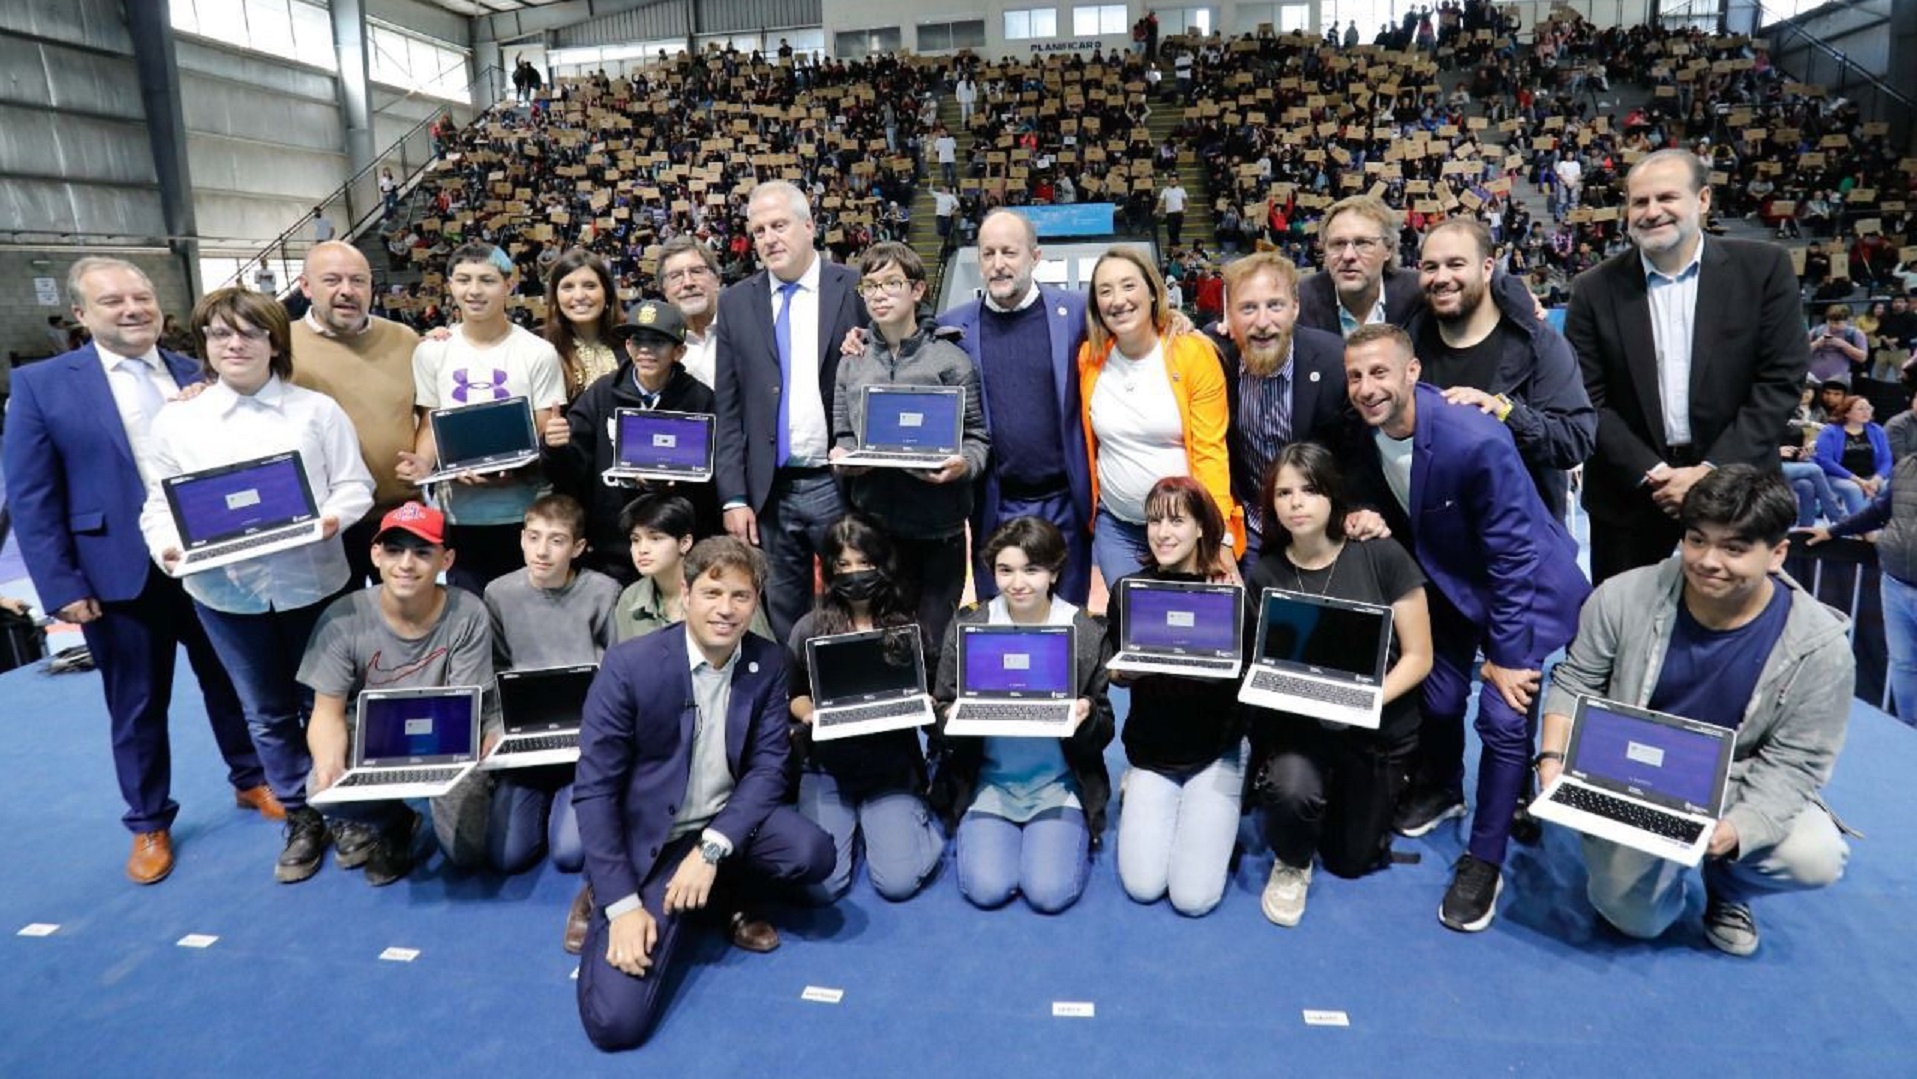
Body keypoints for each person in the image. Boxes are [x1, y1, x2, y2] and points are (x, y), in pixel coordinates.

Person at [3, 257, 270, 885]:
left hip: (206, 561)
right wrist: (62, 586)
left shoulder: (195, 372)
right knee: (137, 704)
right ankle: (149, 819)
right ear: (80, 315)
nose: (132, 309)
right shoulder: (44, 385)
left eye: (142, 297)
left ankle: (252, 778)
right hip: (114, 574)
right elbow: (31, 498)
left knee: (229, 684)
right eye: (113, 301)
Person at [1541, 467, 1853, 955]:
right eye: (1697, 540)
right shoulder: (1622, 596)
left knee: (1814, 857)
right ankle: (1649, 868)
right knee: (1635, 920)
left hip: (1737, 780)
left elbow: (1796, 763)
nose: (1709, 561)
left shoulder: (1819, 646)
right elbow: (1575, 681)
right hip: (1634, 772)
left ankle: (1728, 889)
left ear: (1777, 554)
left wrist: (1735, 833)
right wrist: (1553, 762)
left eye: (1734, 548)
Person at [1342, 324, 1589, 932]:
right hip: (1451, 584)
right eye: (1355, 376)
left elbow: (1513, 558)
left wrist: (1505, 656)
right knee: (1441, 693)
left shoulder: (1472, 437)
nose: (1367, 388)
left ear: (1413, 373)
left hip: (1522, 591)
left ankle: (1485, 858)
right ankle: (1446, 786)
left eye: (1380, 372)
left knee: (1503, 720)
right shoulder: (1362, 432)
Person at [137, 287, 376, 884]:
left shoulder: (315, 412)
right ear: (205, 346)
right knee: (265, 711)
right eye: (221, 334)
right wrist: (168, 550)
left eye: (250, 332)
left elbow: (355, 487)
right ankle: (300, 813)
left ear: (275, 341)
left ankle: (341, 804)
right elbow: (159, 508)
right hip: (225, 593)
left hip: (313, 581)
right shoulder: (177, 422)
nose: (236, 343)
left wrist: (329, 520)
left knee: (326, 701)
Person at [572, 537, 834, 1052]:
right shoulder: (630, 666)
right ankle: (607, 893)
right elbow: (595, 793)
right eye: (713, 592)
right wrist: (623, 907)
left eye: (740, 596)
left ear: (756, 600)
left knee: (813, 854)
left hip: (722, 824)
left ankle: (711, 889)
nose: (726, 609)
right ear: (686, 594)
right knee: (616, 1024)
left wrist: (712, 847)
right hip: (650, 841)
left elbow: (767, 769)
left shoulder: (768, 662)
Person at [1564, 149, 1808, 585]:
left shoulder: (1764, 269)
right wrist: (1658, 477)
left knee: (1737, 641)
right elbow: (1586, 397)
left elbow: (1779, 381)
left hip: (1741, 492)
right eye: (1639, 202)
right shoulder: (1593, 289)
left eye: (1667, 197)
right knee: (1625, 640)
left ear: (1704, 200)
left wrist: (1711, 473)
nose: (1652, 211)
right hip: (1631, 499)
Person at [1248, 442, 1432, 927]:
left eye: (1309, 489)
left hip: (1374, 724)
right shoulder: (1266, 573)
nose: (1296, 502)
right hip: (1300, 727)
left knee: (1350, 860)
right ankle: (1291, 859)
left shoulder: (1380, 553)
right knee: (1292, 791)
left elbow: (1419, 657)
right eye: (1284, 493)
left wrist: (1361, 702)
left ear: (1332, 494)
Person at [298, 502, 498, 884]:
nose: (406, 563)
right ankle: (396, 818)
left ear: (447, 559)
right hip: (377, 734)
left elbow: (466, 708)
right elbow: (327, 713)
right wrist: (328, 762)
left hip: (450, 733)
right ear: (375, 555)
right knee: (321, 790)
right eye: (394, 550)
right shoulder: (342, 618)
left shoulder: (468, 612)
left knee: (466, 856)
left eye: (422, 552)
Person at [930, 517, 1114, 913]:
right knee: (986, 889)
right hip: (989, 783)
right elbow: (941, 711)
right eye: (1005, 570)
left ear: (1054, 571)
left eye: (1032, 570)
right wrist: (953, 717)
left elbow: (1104, 727)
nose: (1018, 583)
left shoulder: (1082, 632)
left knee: (1048, 893)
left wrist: (1086, 718)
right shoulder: (971, 625)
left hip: (1059, 784)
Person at [713, 181, 866, 643]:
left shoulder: (855, 287)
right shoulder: (736, 301)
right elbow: (730, 406)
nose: (769, 238)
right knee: (784, 611)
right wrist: (734, 496)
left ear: (809, 225)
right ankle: (793, 703)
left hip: (840, 483)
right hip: (771, 491)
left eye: (778, 225)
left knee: (856, 599)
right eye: (758, 231)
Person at [832, 242, 987, 653]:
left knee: (935, 649)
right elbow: (844, 434)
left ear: (917, 290)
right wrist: (843, 458)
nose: (879, 294)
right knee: (886, 649)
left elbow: (976, 438)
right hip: (876, 530)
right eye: (870, 285)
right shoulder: (852, 361)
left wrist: (962, 467)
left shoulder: (951, 360)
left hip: (940, 532)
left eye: (891, 283)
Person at [482, 493, 619, 952]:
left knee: (568, 854)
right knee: (508, 857)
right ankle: (534, 796)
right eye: (534, 538)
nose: (542, 551)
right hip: (527, 739)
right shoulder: (499, 593)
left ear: (577, 548)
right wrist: (499, 728)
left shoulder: (603, 592)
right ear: (521, 539)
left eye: (556, 541)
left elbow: (618, 672)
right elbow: (496, 668)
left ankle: (568, 798)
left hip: (584, 741)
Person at [937, 209, 1095, 604]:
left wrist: (1173, 318)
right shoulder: (954, 328)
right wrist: (861, 338)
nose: (998, 264)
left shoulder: (1076, 313)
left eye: (1009, 252)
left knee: (1070, 619)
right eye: (988, 253)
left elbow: (1137, 325)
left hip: (1066, 499)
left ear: (1035, 257)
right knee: (1002, 620)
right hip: (997, 501)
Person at [785, 515, 944, 903]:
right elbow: (793, 694)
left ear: (882, 565)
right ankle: (855, 825)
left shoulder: (908, 626)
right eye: (843, 565)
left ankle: (906, 823)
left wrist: (928, 705)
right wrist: (811, 715)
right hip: (826, 765)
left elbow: (935, 693)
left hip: (891, 762)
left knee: (898, 883)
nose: (854, 574)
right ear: (830, 570)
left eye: (864, 563)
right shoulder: (809, 627)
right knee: (821, 887)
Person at [1108, 478, 1246, 917]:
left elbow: (1248, 684)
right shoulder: (1129, 592)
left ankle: (1218, 802)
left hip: (1214, 751)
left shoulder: (1230, 593)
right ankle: (1147, 791)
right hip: (1152, 751)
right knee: (1143, 886)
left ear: (1203, 528)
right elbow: (1116, 671)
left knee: (1193, 898)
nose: (1162, 533)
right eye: (1154, 521)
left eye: (1176, 521)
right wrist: (1124, 672)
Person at [399, 243, 567, 594]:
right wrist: (423, 464)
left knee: (524, 619)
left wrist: (507, 468)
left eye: (487, 280)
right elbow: (430, 420)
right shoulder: (432, 351)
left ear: (508, 285)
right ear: (450, 286)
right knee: (472, 615)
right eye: (463, 279)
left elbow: (540, 428)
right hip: (460, 514)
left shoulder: (537, 352)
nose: (474, 291)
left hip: (525, 513)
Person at [1407, 218, 1596, 519]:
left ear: (1487, 269)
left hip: (1522, 543)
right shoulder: (1407, 346)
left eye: (1456, 264)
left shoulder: (1538, 345)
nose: (1441, 278)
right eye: (1430, 267)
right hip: (1435, 546)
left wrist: (1506, 412)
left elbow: (1574, 440)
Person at [1078, 246, 1242, 590]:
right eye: (1104, 291)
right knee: (1132, 627)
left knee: (1185, 630)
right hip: (1118, 528)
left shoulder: (1193, 352)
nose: (1117, 300)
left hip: (1185, 531)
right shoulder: (1089, 358)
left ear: (1153, 291)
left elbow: (1211, 451)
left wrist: (1220, 535)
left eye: (1128, 286)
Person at [1206, 252, 1362, 567]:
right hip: (1248, 533)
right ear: (1229, 315)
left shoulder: (1335, 361)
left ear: (1295, 307)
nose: (1262, 323)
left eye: (1274, 305)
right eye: (1248, 308)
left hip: (1321, 533)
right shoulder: (1213, 354)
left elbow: (1360, 454)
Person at [546, 300, 718, 583]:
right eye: (637, 340)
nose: (646, 350)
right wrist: (554, 447)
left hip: (679, 551)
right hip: (613, 549)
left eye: (658, 341)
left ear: (679, 351)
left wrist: (677, 484)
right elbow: (570, 470)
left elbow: (714, 472)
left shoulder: (701, 399)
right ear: (627, 347)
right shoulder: (602, 394)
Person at [291, 241, 422, 588]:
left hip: (399, 514)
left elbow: (428, 413)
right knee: (338, 631)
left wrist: (425, 458)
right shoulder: (280, 346)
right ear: (306, 286)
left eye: (358, 281)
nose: (347, 291)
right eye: (332, 280)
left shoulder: (405, 339)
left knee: (406, 628)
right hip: (326, 524)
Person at [1808, 448, 1917, 726]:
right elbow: (1881, 511)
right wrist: (1833, 530)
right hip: (1894, 580)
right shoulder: (1907, 464)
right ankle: (1909, 734)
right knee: (1903, 666)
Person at [543, 249, 623, 400]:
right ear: (555, 297)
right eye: (568, 287)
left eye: (590, 286)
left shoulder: (630, 345)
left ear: (607, 293)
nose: (579, 296)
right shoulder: (539, 347)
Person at [656, 237, 721, 389]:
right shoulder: (657, 347)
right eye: (675, 276)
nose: (688, 283)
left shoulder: (750, 329)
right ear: (664, 290)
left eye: (697, 271)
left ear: (717, 280)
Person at [1812, 394, 1891, 517]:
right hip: (1839, 477)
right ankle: (1864, 529)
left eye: (1868, 408)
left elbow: (1887, 460)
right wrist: (1858, 480)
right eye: (1860, 409)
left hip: (1870, 476)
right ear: (1847, 413)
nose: (1866, 412)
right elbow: (1825, 461)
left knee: (1887, 486)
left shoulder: (1877, 430)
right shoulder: (1830, 431)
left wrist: (1876, 479)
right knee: (1852, 489)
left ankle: (1885, 526)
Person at [1807, 305, 1869, 385]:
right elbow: (1801, 353)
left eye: (1837, 323)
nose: (1833, 326)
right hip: (1813, 379)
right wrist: (1817, 343)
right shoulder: (1816, 331)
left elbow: (1862, 357)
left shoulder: (1854, 334)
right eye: (1830, 322)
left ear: (1847, 321)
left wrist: (1843, 345)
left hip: (1839, 382)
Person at [1158, 178, 1189, 249]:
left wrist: (1186, 208)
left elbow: (1186, 199)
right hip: (1170, 213)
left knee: (1177, 230)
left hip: (1179, 213)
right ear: (1168, 182)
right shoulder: (1165, 190)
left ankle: (1176, 245)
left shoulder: (1181, 190)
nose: (1172, 182)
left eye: (1174, 181)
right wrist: (1157, 209)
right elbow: (1161, 200)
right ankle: (1172, 246)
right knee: (1171, 230)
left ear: (1177, 181)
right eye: (1171, 181)